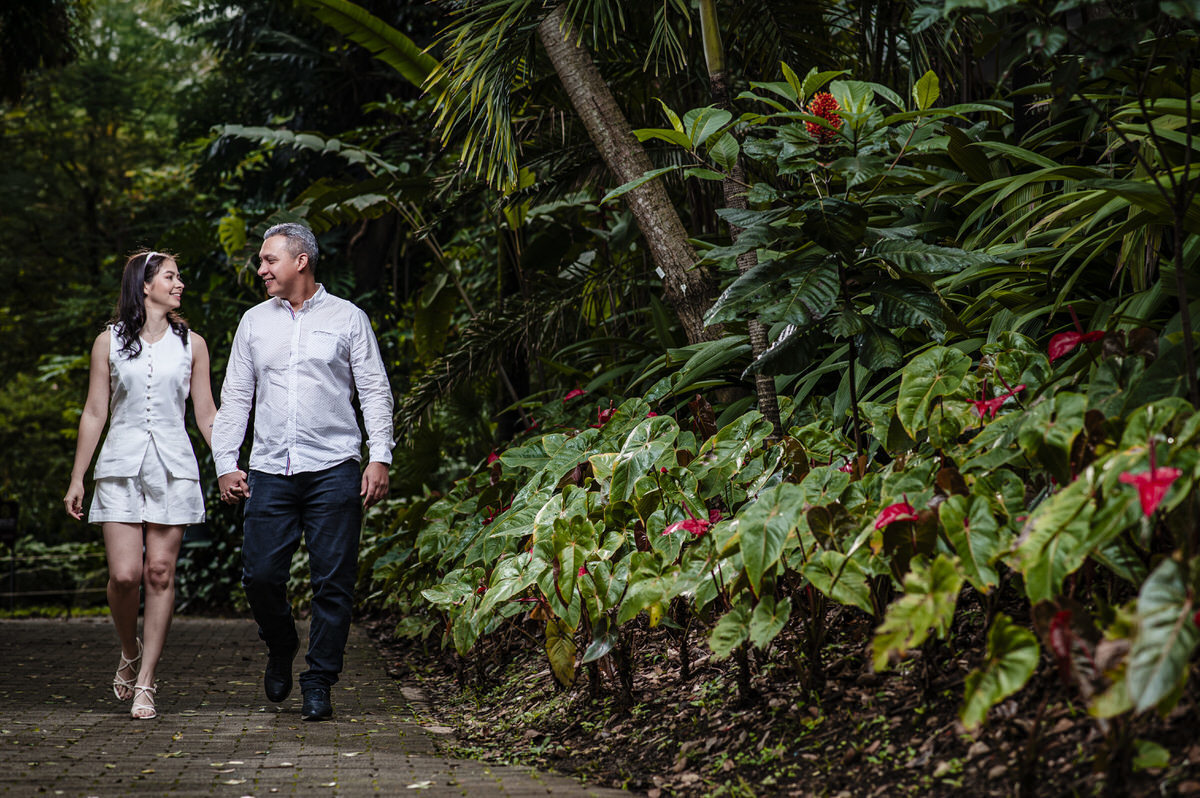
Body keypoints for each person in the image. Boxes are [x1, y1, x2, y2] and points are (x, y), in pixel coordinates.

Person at [212, 222, 393, 722]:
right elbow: (236, 398)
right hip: (270, 469)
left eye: (269, 260)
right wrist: (226, 463)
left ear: (301, 261)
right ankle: (281, 642)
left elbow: (374, 390)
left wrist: (379, 455)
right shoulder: (253, 322)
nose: (261, 269)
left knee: (333, 582)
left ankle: (319, 680)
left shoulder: (348, 318)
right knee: (260, 575)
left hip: (334, 467)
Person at [64, 250, 217, 720]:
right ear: (145, 285)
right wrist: (77, 477)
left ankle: (147, 679)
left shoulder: (193, 344)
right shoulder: (107, 342)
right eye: (171, 276)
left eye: (179, 276)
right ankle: (129, 649)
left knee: (160, 573)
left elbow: (206, 413)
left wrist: (229, 465)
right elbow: (95, 411)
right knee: (126, 575)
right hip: (119, 466)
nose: (180, 284)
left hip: (174, 467)